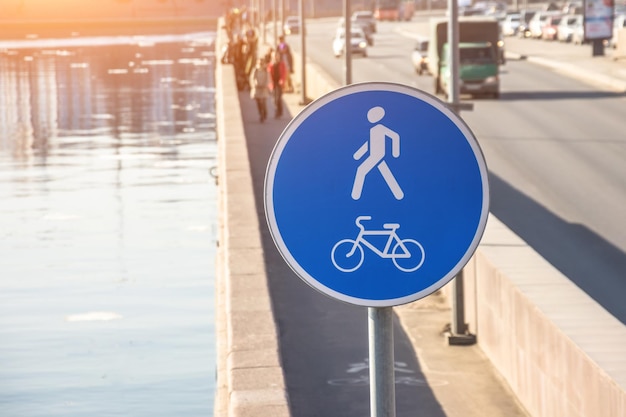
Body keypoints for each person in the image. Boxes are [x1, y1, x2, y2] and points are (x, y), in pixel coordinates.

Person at [250, 57, 270, 122]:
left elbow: (268, 79)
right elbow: (252, 78)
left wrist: (265, 85)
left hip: (263, 88)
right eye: (259, 62)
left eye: (261, 63)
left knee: (263, 102)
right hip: (257, 88)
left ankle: (263, 113)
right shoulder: (255, 70)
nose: (260, 64)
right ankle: (261, 113)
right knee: (258, 102)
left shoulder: (266, 70)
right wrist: (254, 84)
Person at [268, 52, 287, 118]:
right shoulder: (270, 65)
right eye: (274, 56)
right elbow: (269, 75)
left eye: (277, 56)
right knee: (274, 98)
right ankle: (278, 110)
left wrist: (282, 80)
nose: (276, 57)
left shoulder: (282, 64)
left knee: (278, 98)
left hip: (279, 84)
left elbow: (284, 73)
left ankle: (278, 111)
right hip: (273, 83)